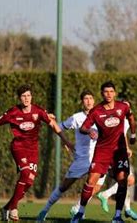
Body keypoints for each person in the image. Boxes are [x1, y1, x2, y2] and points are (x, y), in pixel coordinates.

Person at [0, 84, 73, 221]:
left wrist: (66, 141)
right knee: (25, 173)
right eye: (23, 96)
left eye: (28, 95)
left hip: (33, 150)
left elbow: (52, 124)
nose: (26, 98)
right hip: (18, 147)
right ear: (19, 98)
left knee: (29, 181)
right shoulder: (13, 112)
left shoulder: (38, 111)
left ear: (31, 97)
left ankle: (6, 208)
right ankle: (14, 208)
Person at [37, 90, 106, 222]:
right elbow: (59, 127)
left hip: (98, 157)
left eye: (91, 98)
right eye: (86, 99)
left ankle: (79, 209)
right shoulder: (76, 117)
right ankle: (45, 210)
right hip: (81, 158)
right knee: (64, 186)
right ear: (82, 102)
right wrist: (65, 141)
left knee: (96, 185)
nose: (89, 101)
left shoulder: (101, 115)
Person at [71, 81, 134, 223]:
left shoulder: (122, 107)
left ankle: (117, 216)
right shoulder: (96, 111)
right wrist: (90, 130)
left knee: (123, 181)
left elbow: (130, 117)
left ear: (115, 93)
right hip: (102, 151)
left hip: (120, 151)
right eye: (106, 92)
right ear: (102, 94)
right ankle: (79, 212)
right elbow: (83, 128)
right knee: (91, 181)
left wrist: (133, 134)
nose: (109, 94)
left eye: (111, 91)